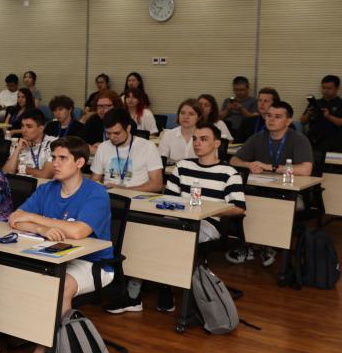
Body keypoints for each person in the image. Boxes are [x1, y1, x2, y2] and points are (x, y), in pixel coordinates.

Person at [0, 138, 114, 353]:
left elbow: (79, 231)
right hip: (51, 257)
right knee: (7, 275)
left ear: (79, 162)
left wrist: (36, 218)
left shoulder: (96, 193)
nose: (55, 163)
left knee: (59, 289)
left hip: (91, 263)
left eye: (62, 158)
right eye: (54, 158)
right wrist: (42, 228)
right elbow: (15, 218)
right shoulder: (47, 189)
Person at [106, 122, 247, 315]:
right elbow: (168, 198)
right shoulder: (183, 166)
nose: (197, 143)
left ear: (217, 143)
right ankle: (134, 295)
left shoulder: (229, 173)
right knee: (142, 235)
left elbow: (239, 208)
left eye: (203, 139)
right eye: (195, 139)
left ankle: (164, 288)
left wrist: (208, 210)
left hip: (206, 223)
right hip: (175, 220)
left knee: (172, 239)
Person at [230, 100, 313, 266]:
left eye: (277, 116)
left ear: (288, 121)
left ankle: (262, 245)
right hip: (260, 189)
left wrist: (271, 167)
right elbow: (234, 160)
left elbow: (306, 169)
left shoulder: (298, 139)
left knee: (267, 206)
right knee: (243, 203)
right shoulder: (258, 138)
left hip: (290, 193)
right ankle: (255, 245)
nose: (271, 119)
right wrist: (248, 164)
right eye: (268, 115)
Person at [91, 108, 164, 191]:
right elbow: (94, 181)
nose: (112, 137)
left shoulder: (148, 147)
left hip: (135, 195)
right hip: (109, 195)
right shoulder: (103, 147)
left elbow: (156, 185)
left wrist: (123, 189)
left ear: (128, 128)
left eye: (117, 133)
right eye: (108, 133)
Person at [303, 75, 342, 150]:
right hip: (312, 138)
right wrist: (308, 114)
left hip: (333, 140)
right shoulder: (315, 103)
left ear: (337, 88)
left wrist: (329, 116)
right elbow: (302, 121)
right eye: (323, 88)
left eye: (329, 88)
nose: (326, 90)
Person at [4, 108, 54, 180]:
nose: (23, 130)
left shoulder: (52, 143)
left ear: (41, 129)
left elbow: (45, 175)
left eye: (29, 126)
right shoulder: (18, 143)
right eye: (22, 125)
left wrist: (20, 168)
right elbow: (5, 174)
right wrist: (17, 150)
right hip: (21, 184)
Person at [157, 99, 201, 164]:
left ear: (199, 117)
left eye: (191, 114)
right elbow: (160, 161)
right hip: (172, 170)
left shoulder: (205, 136)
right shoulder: (168, 135)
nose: (186, 117)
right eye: (182, 113)